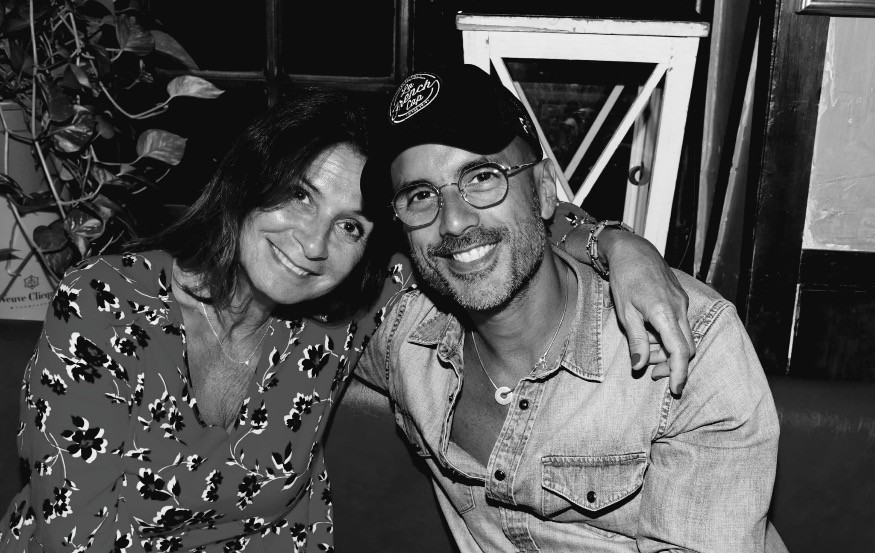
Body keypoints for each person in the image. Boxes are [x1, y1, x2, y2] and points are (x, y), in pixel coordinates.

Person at [0, 88, 693, 553]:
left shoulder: (338, 321)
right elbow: (71, 536)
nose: (311, 243)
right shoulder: (107, 304)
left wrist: (618, 245)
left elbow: (498, 231)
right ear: (249, 182)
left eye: (350, 225)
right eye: (298, 196)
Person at [352, 64, 785, 551]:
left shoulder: (685, 343)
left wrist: (612, 241)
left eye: (482, 177)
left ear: (543, 191)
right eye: (420, 195)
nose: (453, 221)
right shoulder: (404, 341)